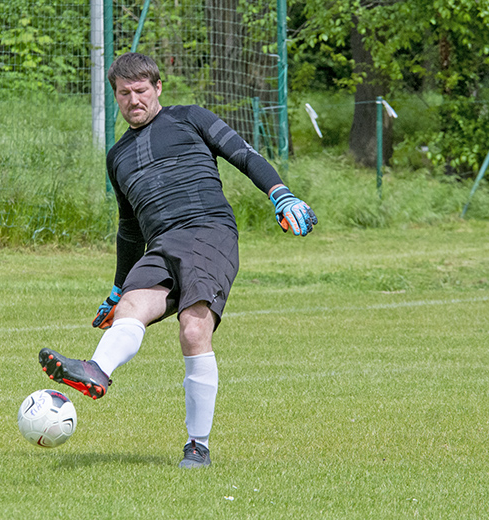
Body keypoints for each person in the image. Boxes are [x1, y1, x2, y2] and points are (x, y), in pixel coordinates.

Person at [39, 52, 317, 468]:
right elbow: (129, 229)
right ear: (116, 96)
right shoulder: (117, 157)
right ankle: (97, 370)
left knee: (192, 329)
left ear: (158, 88)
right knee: (130, 307)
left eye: (140, 91)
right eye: (124, 93)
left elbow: (244, 155)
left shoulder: (190, 117)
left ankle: (197, 446)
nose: (133, 100)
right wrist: (118, 287)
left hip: (209, 231)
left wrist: (280, 193)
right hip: (161, 244)